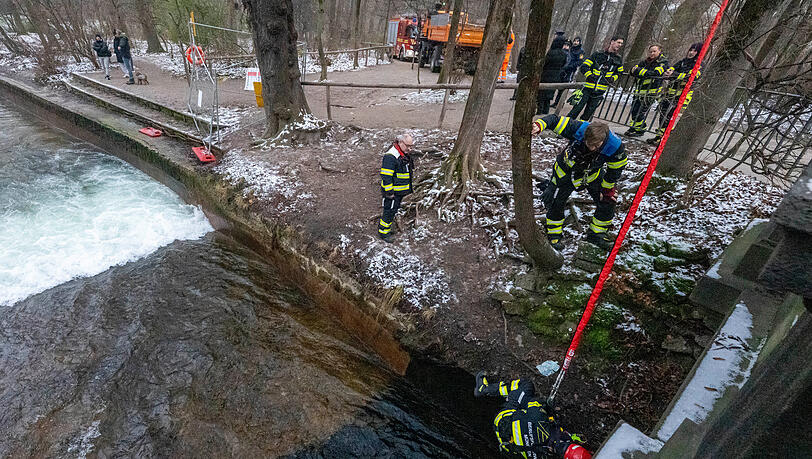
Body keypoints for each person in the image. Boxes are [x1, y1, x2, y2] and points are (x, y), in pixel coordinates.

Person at [532, 114, 628, 250]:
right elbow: (554, 120)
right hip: (565, 172)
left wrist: (607, 189)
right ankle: (554, 234)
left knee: (608, 201)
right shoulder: (578, 128)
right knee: (555, 201)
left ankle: (596, 234)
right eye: (589, 144)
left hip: (592, 175)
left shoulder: (615, 147)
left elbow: (615, 169)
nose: (592, 148)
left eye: (596, 145)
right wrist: (539, 125)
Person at [474, 372, 592, 458]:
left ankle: (484, 389)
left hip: (502, 420)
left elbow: (533, 404)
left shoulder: (540, 420)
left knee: (526, 385)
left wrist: (546, 406)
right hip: (506, 443)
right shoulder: (545, 455)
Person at [647, 42, 703, 145]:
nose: (691, 52)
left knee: (671, 118)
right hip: (670, 93)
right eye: (690, 50)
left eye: (695, 51)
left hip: (682, 96)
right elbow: (671, 69)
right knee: (663, 115)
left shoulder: (699, 65)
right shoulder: (682, 62)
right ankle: (659, 137)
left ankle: (666, 140)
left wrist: (675, 75)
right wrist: (669, 73)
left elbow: (690, 77)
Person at [567, 36, 624, 122]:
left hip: (600, 92)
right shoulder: (598, 54)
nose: (620, 45)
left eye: (621, 43)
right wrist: (589, 75)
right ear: (612, 42)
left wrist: (613, 78)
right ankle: (564, 126)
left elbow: (620, 73)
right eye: (618, 42)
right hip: (587, 89)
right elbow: (584, 66)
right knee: (576, 110)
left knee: (587, 115)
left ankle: (579, 129)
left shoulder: (618, 59)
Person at [624, 44, 668, 137]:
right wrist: (640, 72)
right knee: (634, 110)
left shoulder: (663, 62)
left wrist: (640, 71)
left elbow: (656, 73)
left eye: (654, 51)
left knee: (640, 112)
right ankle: (634, 128)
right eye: (650, 51)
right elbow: (632, 70)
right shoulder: (645, 61)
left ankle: (640, 130)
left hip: (650, 93)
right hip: (639, 91)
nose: (652, 53)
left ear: (660, 51)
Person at [378, 133, 415, 242]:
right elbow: (386, 176)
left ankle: (386, 229)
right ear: (400, 142)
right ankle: (383, 233)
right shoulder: (391, 156)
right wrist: (389, 192)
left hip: (398, 192)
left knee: (393, 210)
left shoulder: (402, 154)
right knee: (389, 211)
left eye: (411, 146)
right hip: (392, 193)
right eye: (408, 146)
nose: (410, 149)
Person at [538, 36, 569, 114]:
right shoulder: (563, 54)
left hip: (546, 74)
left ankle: (539, 110)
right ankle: (546, 110)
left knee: (542, 93)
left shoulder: (550, 52)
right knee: (549, 93)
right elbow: (564, 64)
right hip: (556, 75)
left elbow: (545, 63)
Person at [554, 36, 585, 106]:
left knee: (565, 86)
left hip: (570, 71)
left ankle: (560, 103)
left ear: (580, 42)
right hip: (564, 69)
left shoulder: (581, 51)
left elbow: (580, 62)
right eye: (575, 41)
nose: (575, 42)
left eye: (577, 41)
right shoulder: (570, 48)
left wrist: (571, 66)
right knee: (560, 85)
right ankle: (556, 102)